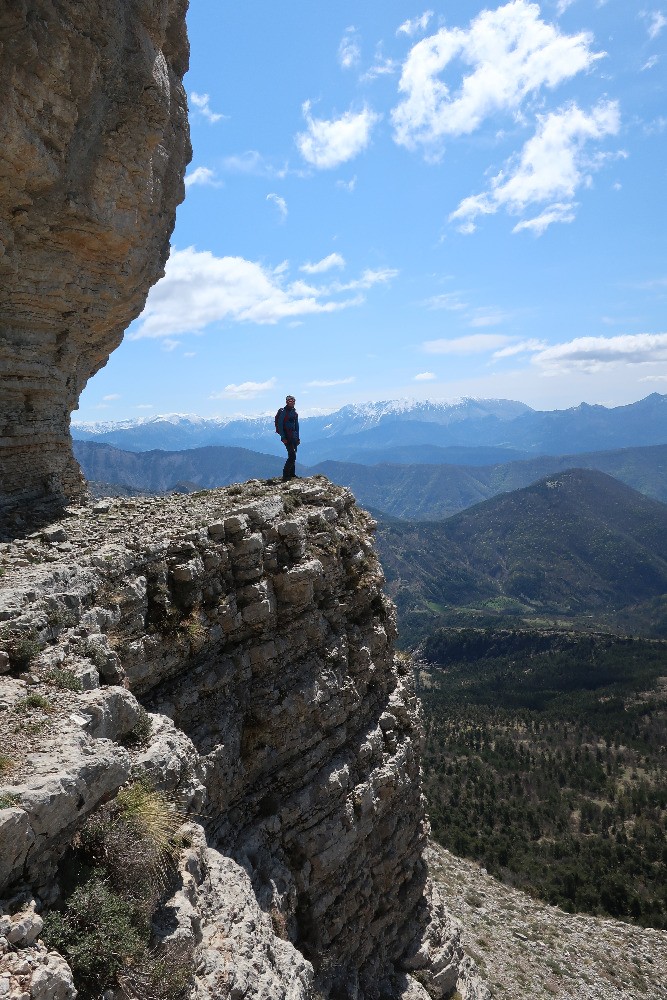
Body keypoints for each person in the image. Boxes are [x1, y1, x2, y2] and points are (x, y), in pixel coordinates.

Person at [275, 394, 300, 480]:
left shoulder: (295, 412)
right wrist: (283, 437)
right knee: (292, 456)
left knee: (293, 455)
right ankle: (286, 475)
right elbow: (280, 425)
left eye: (293, 401)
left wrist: (298, 438)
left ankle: (292, 474)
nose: (292, 402)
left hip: (294, 437)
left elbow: (296, 426)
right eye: (290, 401)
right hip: (287, 437)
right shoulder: (283, 412)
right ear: (286, 402)